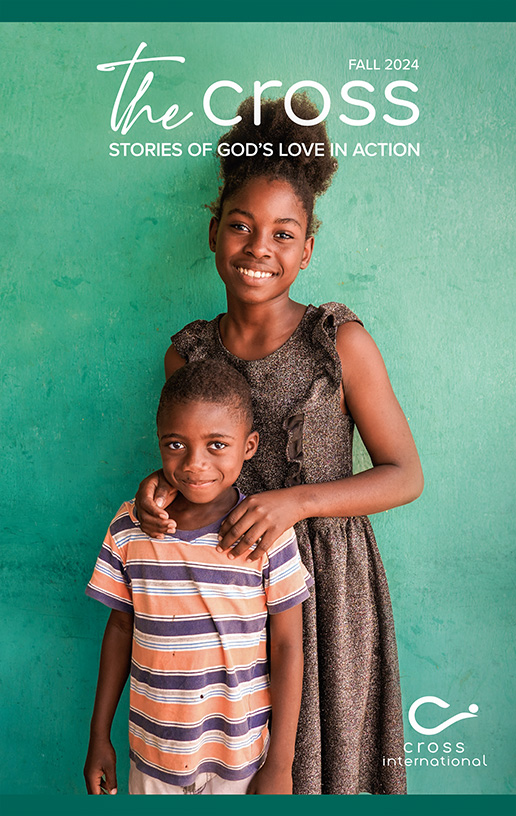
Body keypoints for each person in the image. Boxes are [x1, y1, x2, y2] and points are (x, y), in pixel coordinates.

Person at [136, 93, 424, 794]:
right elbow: (193, 464)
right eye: (240, 226)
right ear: (213, 234)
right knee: (230, 764)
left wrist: (295, 503)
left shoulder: (339, 343)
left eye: (283, 234)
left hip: (328, 597)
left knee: (321, 769)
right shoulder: (190, 354)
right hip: (224, 595)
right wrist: (160, 490)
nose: (259, 248)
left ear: (307, 250)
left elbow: (404, 474)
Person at [84, 361, 312, 795]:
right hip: (153, 756)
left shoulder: (268, 533)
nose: (194, 464)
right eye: (175, 444)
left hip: (242, 758)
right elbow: (119, 629)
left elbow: (287, 646)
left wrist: (281, 764)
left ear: (249, 446)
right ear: (158, 442)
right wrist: (99, 737)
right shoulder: (129, 527)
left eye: (217, 445)